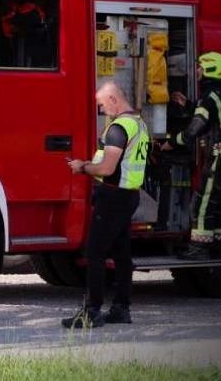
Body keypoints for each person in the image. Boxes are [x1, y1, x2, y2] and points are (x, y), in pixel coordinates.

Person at [63, 81, 149, 329]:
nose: (101, 110)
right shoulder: (139, 124)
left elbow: (107, 168)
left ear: (113, 99)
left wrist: (82, 167)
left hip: (113, 197)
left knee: (95, 252)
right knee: (122, 254)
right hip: (128, 195)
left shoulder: (118, 128)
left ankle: (91, 311)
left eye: (101, 104)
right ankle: (121, 308)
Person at [167, 52, 221, 260]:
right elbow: (216, 119)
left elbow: (195, 129)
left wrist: (172, 141)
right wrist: (189, 105)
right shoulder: (220, 93)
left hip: (219, 157)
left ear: (209, 69)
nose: (197, 71)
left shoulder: (208, 96)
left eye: (200, 67)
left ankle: (198, 249)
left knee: (202, 204)